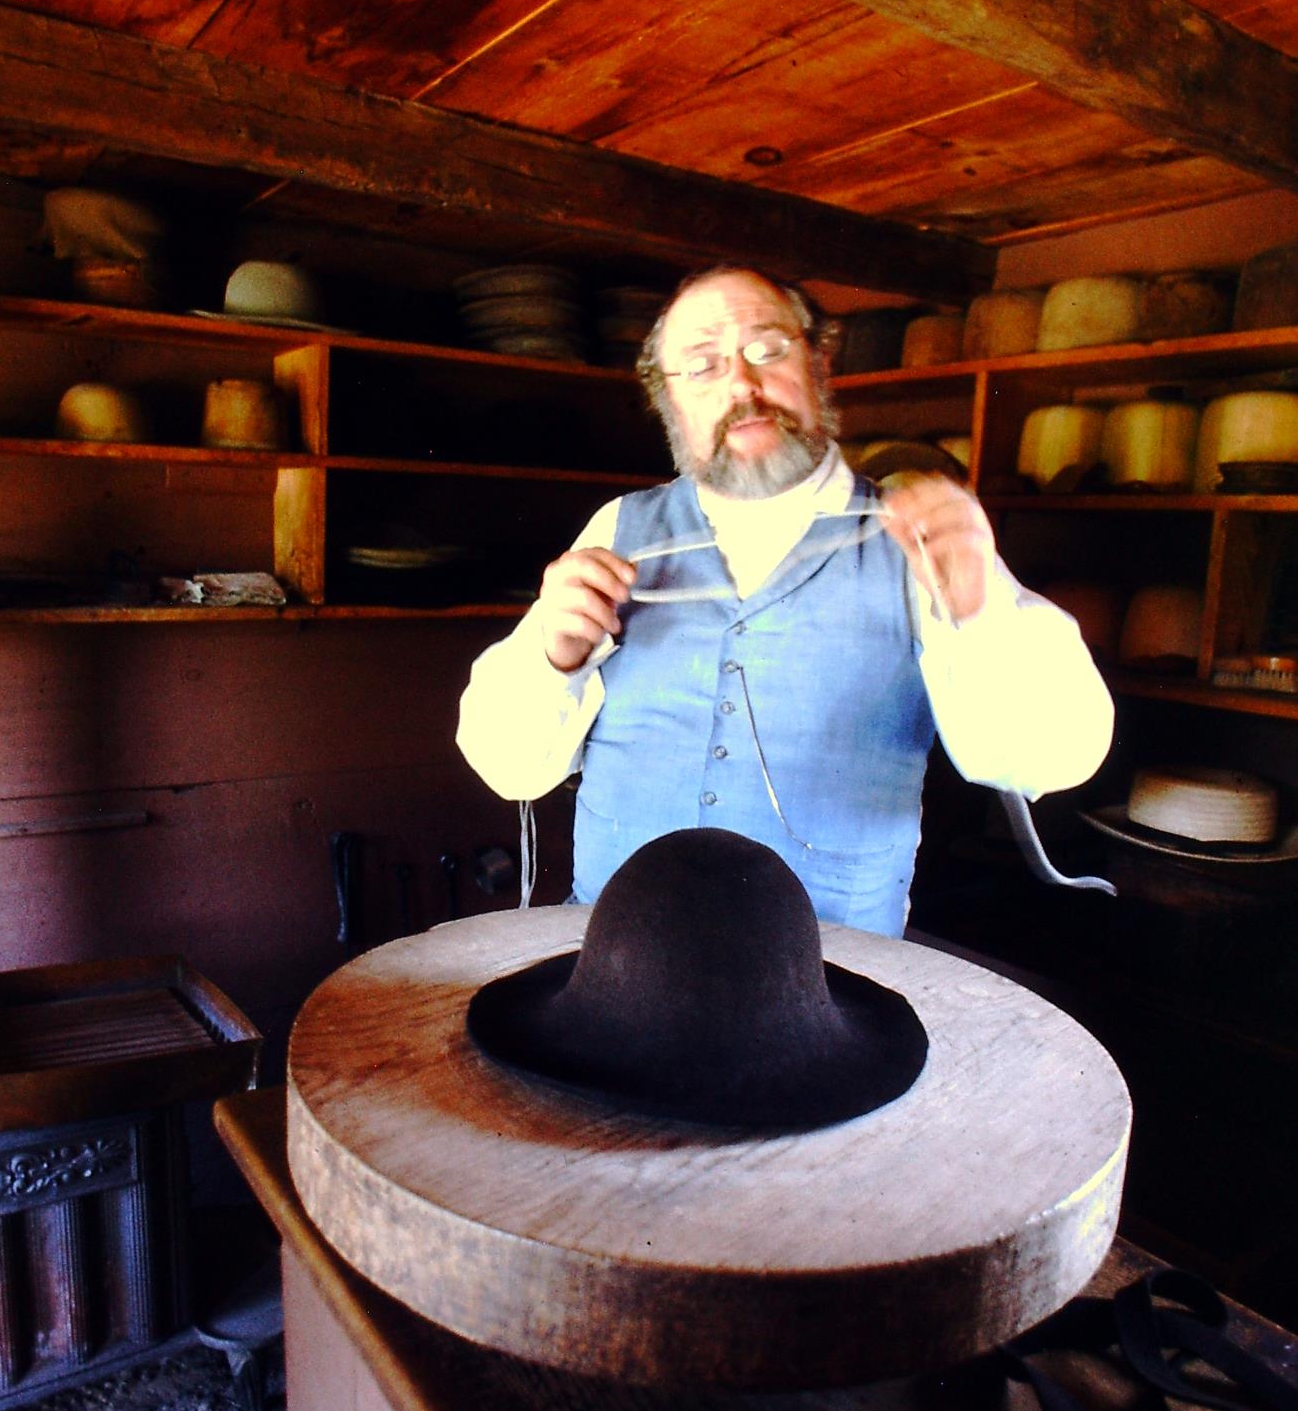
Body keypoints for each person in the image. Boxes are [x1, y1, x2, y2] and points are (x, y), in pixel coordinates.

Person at [457, 265, 1114, 935]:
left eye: (767, 350)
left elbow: (1053, 759)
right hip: (616, 958)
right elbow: (507, 767)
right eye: (702, 365)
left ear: (818, 364)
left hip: (832, 976)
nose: (741, 385)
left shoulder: (918, 538)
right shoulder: (619, 528)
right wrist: (553, 659)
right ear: (668, 400)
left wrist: (983, 616)